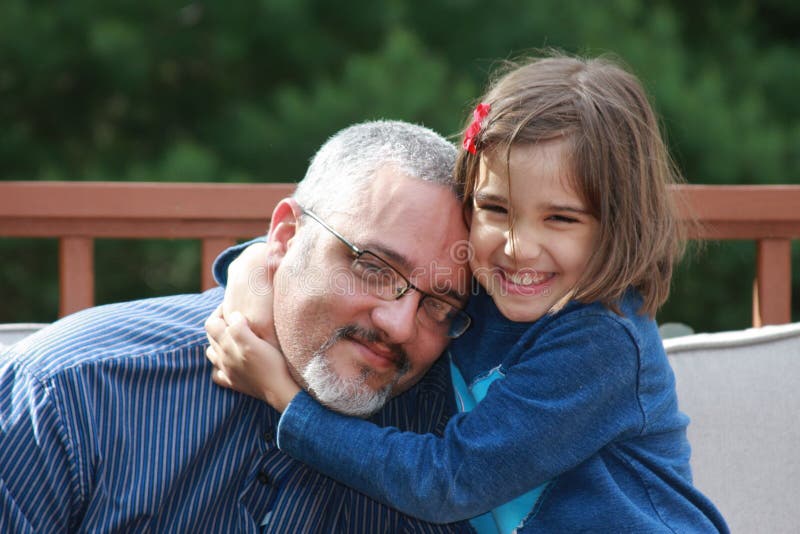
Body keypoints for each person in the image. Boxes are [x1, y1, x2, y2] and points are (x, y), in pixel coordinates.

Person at [205, 54, 730, 532]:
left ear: (617, 225)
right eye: (497, 209)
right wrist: (250, 284)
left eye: (560, 218)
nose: (518, 248)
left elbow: (448, 481)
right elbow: (299, 246)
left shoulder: (602, 342)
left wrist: (285, 399)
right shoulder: (478, 291)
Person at [0, 121, 476, 532]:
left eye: (438, 304)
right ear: (286, 237)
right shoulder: (71, 394)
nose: (398, 325)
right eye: (374, 266)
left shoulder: (456, 442)